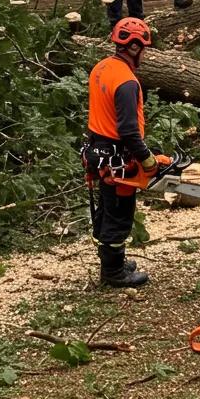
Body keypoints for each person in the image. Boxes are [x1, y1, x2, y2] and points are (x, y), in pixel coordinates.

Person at [83, 17, 170, 288]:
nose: (145, 52)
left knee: (107, 209)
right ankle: (113, 273)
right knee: (119, 214)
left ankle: (114, 261)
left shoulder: (101, 67)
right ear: (134, 47)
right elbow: (129, 131)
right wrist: (147, 160)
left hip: (98, 149)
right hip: (117, 157)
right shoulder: (127, 82)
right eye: (143, 47)